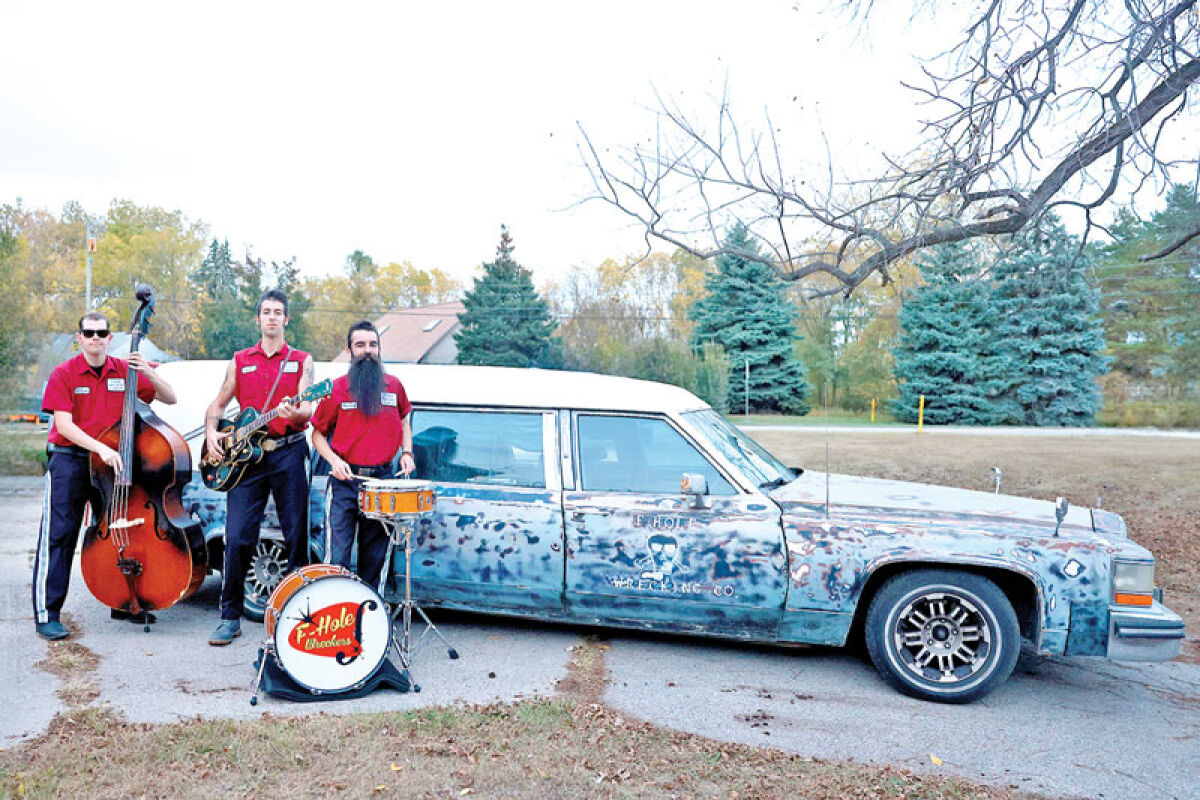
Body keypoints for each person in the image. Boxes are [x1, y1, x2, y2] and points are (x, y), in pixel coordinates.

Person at [33, 311, 178, 640]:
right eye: (89, 333)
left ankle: (123, 600)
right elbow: (65, 425)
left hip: (109, 462)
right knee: (60, 536)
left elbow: (171, 397)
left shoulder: (124, 371)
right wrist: (100, 448)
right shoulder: (64, 374)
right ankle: (47, 613)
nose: (96, 338)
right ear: (79, 337)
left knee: (117, 530)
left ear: (110, 338)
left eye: (102, 333)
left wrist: (148, 374)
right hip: (70, 460)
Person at [203, 290, 314, 646]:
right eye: (265, 311)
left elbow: (308, 408)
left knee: (296, 535)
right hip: (245, 460)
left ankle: (301, 617)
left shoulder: (301, 361)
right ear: (258, 319)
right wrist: (210, 434)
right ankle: (229, 617)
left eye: (277, 312)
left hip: (287, 452)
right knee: (236, 538)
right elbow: (217, 406)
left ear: (286, 320)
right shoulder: (239, 360)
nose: (271, 317)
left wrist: (293, 413)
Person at [311, 321, 415, 589]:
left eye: (373, 344)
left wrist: (407, 452)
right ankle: (334, 618)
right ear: (349, 351)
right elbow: (317, 435)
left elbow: (405, 419)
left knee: (376, 559)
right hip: (344, 483)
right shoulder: (335, 389)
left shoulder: (394, 386)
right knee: (337, 559)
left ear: (379, 349)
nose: (367, 350)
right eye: (360, 345)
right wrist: (334, 461)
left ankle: (371, 619)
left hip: (382, 483)